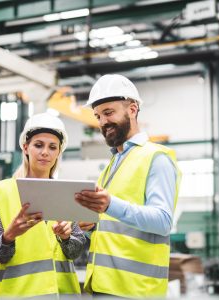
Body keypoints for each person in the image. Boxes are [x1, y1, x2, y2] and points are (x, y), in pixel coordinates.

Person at [75, 74, 182, 298]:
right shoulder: (112, 165)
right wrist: (93, 226)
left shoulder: (156, 158)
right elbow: (118, 223)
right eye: (97, 116)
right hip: (105, 285)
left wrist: (109, 205)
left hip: (136, 290)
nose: (103, 122)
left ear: (132, 109)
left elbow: (163, 221)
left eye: (108, 112)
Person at [0, 113, 86, 298]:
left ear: (58, 152)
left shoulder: (67, 192)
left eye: (52, 147)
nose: (45, 152)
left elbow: (75, 251)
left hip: (62, 294)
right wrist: (9, 236)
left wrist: (66, 238)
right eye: (38, 145)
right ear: (26, 147)